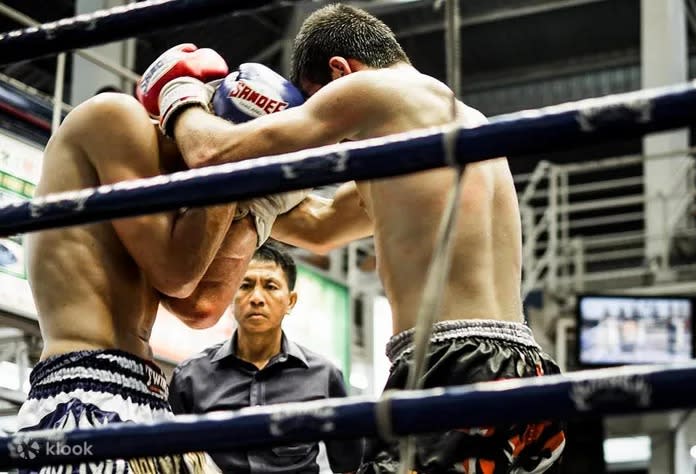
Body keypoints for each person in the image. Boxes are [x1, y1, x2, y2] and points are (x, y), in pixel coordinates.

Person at [137, 4, 566, 473]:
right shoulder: (454, 126)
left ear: (340, 71)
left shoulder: (371, 89)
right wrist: (253, 198)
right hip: (524, 370)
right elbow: (318, 227)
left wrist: (180, 95)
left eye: (316, 103)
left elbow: (210, 152)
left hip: (453, 365)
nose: (330, 140)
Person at [17, 53, 308, 472]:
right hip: (84, 393)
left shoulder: (180, 196)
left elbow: (202, 307)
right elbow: (177, 275)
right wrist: (229, 160)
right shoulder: (113, 116)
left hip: (152, 397)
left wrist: (255, 203)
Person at [169, 241, 363, 473]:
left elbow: (349, 466)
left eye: (270, 286)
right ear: (230, 297)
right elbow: (173, 463)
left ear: (290, 301)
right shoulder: (190, 377)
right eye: (245, 285)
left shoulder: (324, 376)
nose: (257, 298)